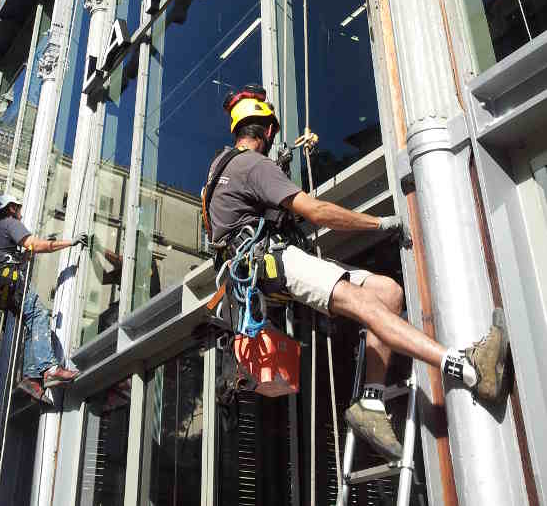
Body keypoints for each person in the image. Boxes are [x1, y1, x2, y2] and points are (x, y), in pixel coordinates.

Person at [206, 85, 508, 460]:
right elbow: (316, 212)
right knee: (365, 304)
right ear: (267, 131)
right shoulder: (254, 165)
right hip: (275, 263)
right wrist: (378, 224)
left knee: (387, 292)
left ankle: (371, 403)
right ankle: (467, 367)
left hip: (264, 267)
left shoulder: (220, 169)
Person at [0, 193, 87, 401]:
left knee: (30, 322)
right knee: (39, 313)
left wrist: (33, 251)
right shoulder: (10, 223)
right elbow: (35, 245)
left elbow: (11, 256)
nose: (20, 212)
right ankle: (49, 368)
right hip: (9, 283)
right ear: (10, 209)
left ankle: (30, 377)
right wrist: (69, 242)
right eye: (18, 208)